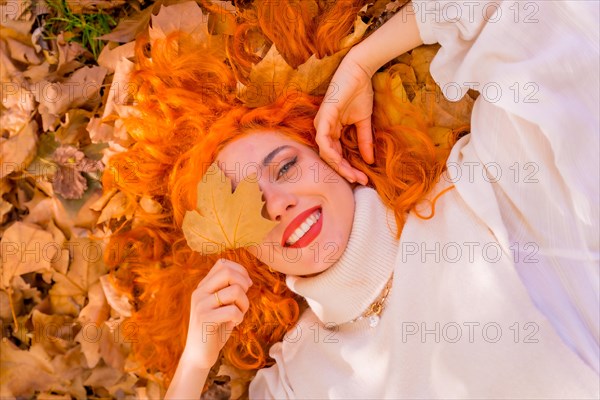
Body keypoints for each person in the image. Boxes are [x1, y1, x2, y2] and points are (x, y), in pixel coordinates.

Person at [105, 0, 599, 398]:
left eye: (285, 167)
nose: (277, 204)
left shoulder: (480, 185)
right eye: (246, 210)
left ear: (334, 154)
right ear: (242, 251)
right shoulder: (302, 380)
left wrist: (362, 62)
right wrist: (195, 363)